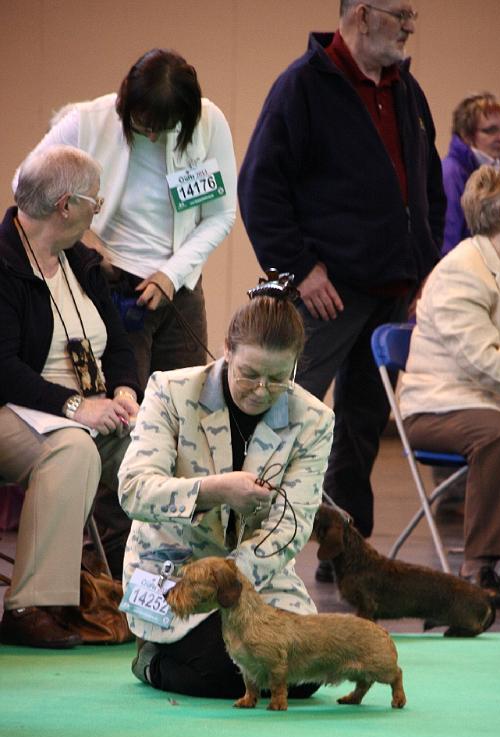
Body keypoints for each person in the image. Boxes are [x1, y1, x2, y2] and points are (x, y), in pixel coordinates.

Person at [238, 0, 445, 581]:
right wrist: (302, 269)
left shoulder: (407, 91)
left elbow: (427, 184)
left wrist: (425, 263)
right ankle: (247, 548)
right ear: (359, 14)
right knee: (281, 418)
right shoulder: (302, 87)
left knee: (359, 430)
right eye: (399, 12)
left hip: (391, 290)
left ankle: (344, 559)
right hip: (327, 293)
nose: (410, 24)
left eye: (412, 13)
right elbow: (259, 187)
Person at [118, 277, 335, 697]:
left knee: (301, 674)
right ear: (226, 350)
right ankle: (150, 657)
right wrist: (215, 489)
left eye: (278, 378)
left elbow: (293, 524)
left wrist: (231, 582)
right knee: (222, 671)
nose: (261, 390)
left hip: (253, 578)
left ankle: (188, 649)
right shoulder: (170, 391)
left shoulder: (314, 419)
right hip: (175, 574)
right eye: (249, 373)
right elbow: (133, 489)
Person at [14, 47, 237, 388]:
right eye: (143, 124)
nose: (151, 136)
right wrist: (80, 234)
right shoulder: (89, 120)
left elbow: (221, 215)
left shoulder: (209, 123)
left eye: (163, 128)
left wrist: (170, 276)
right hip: (111, 284)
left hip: (181, 288)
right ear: (126, 103)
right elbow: (23, 183)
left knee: (190, 409)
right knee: (125, 409)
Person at [0, 145, 140, 648]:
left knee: (155, 441)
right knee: (72, 447)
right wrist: (76, 407)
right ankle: (30, 606)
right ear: (65, 205)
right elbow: (3, 368)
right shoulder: (5, 262)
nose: (97, 210)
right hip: (13, 410)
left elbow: (119, 345)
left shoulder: (80, 261)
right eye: (94, 202)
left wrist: (123, 391)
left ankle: (160, 591)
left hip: (81, 411)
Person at [399, 165, 500, 607]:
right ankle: (478, 568)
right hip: (437, 407)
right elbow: (481, 360)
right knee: (496, 436)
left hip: (496, 400)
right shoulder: (461, 270)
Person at [442, 92, 500, 256]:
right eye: (491, 130)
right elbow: (449, 239)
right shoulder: (451, 173)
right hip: (467, 271)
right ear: (466, 135)